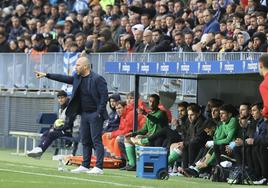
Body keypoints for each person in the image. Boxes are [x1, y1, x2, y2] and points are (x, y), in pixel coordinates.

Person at [35, 54, 108, 175]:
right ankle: (85, 165)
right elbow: (63, 78)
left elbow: (104, 97)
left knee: (96, 141)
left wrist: (99, 113)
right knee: (85, 140)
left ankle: (99, 167)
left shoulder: (97, 78)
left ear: (85, 67)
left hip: (95, 114)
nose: (75, 67)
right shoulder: (78, 78)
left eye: (78, 65)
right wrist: (46, 75)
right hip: (84, 114)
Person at [27, 90, 79, 158]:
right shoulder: (61, 109)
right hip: (62, 130)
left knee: (51, 133)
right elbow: (60, 122)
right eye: (59, 98)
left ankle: (40, 150)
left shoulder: (70, 108)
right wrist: (53, 128)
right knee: (45, 133)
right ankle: (39, 149)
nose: (60, 100)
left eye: (62, 98)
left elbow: (69, 124)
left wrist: (56, 129)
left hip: (70, 132)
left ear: (66, 98)